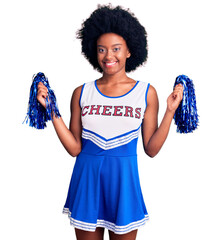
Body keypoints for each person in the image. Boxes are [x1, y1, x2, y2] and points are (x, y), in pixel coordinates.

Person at [37, 4, 183, 240]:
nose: (108, 56)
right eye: (101, 49)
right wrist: (51, 109)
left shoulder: (146, 92)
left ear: (129, 51)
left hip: (124, 183)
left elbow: (151, 149)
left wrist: (169, 112)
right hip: (87, 181)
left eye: (116, 49)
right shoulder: (82, 92)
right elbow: (74, 148)